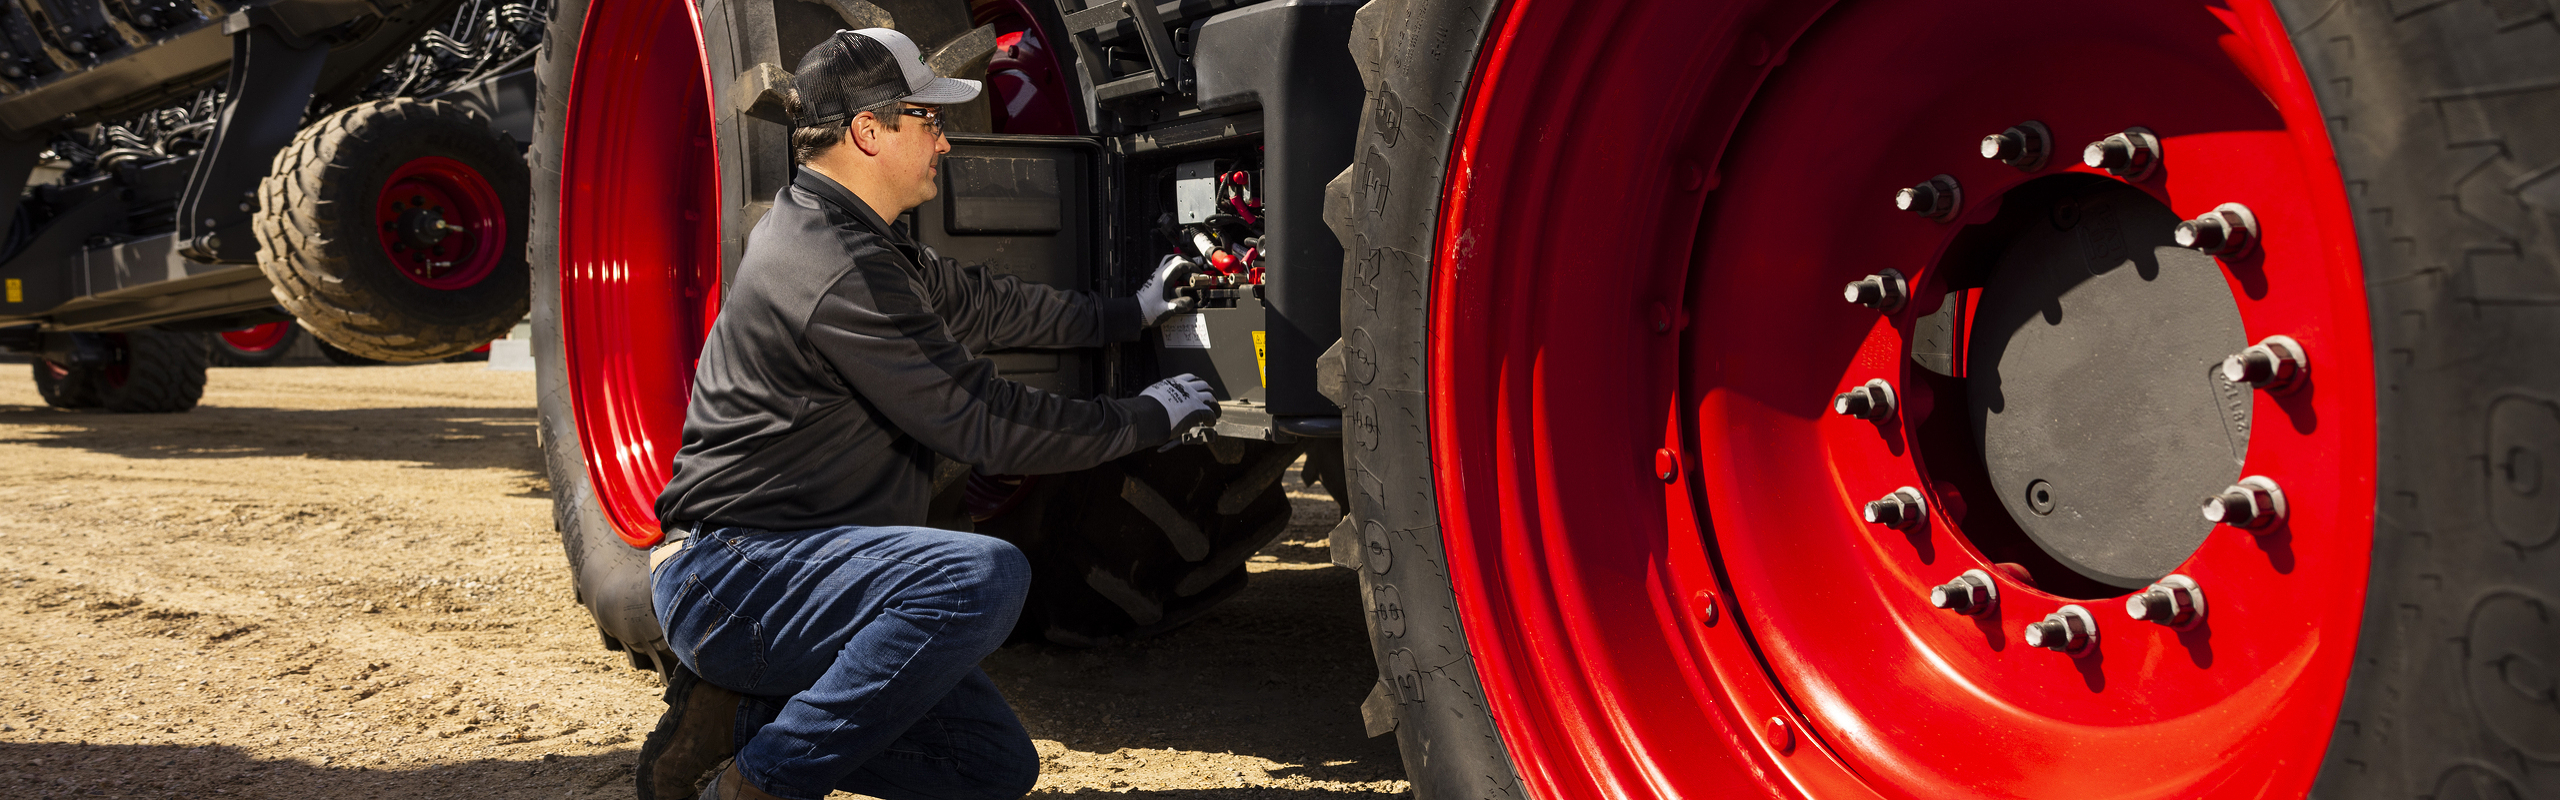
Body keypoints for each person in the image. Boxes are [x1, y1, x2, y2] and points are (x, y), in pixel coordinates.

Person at [633, 27, 1216, 800]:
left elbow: (986, 304)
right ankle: (758, 783)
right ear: (869, 131)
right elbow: (980, 421)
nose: (945, 143)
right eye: (930, 121)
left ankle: (735, 718)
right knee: (981, 575)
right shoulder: (834, 265)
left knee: (992, 767)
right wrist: (1148, 417)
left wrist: (1130, 312)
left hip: (795, 566)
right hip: (732, 575)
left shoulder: (853, 235)